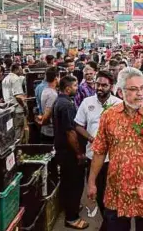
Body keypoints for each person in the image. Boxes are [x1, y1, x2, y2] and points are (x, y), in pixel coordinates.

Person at [87, 68, 143, 230]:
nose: (140, 93)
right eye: (133, 89)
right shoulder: (109, 116)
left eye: (142, 88)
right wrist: (91, 182)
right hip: (117, 189)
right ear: (120, 92)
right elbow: (99, 151)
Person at [75, 71, 122, 231]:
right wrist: (90, 138)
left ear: (112, 86)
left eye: (104, 85)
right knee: (99, 193)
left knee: (114, 195)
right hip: (93, 157)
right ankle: (108, 222)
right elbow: (78, 125)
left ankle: (109, 224)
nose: (100, 88)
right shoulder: (87, 102)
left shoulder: (118, 104)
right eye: (98, 84)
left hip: (114, 159)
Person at [52, 75, 90, 230]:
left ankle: (70, 206)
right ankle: (72, 217)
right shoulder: (67, 105)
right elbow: (71, 133)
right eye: (75, 86)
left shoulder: (59, 100)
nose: (77, 88)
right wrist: (79, 153)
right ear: (67, 88)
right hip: (69, 153)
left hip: (62, 151)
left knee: (68, 182)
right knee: (75, 184)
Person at [2, 63, 27, 143]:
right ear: (16, 70)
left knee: (11, 131)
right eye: (20, 69)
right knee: (18, 131)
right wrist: (24, 106)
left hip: (9, 108)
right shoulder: (15, 79)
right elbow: (18, 96)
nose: (21, 71)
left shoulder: (5, 78)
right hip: (18, 109)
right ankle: (17, 149)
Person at [36, 67, 59, 144]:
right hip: (50, 132)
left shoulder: (45, 90)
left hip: (46, 130)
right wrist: (42, 122)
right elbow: (47, 114)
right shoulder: (52, 94)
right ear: (56, 78)